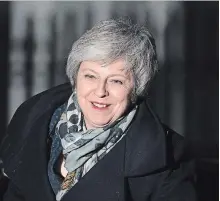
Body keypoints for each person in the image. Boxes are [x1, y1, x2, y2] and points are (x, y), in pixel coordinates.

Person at [0, 17, 197, 201]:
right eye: (90, 76)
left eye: (116, 81)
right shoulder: (33, 119)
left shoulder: (169, 158)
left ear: (137, 89)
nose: (100, 91)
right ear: (75, 77)